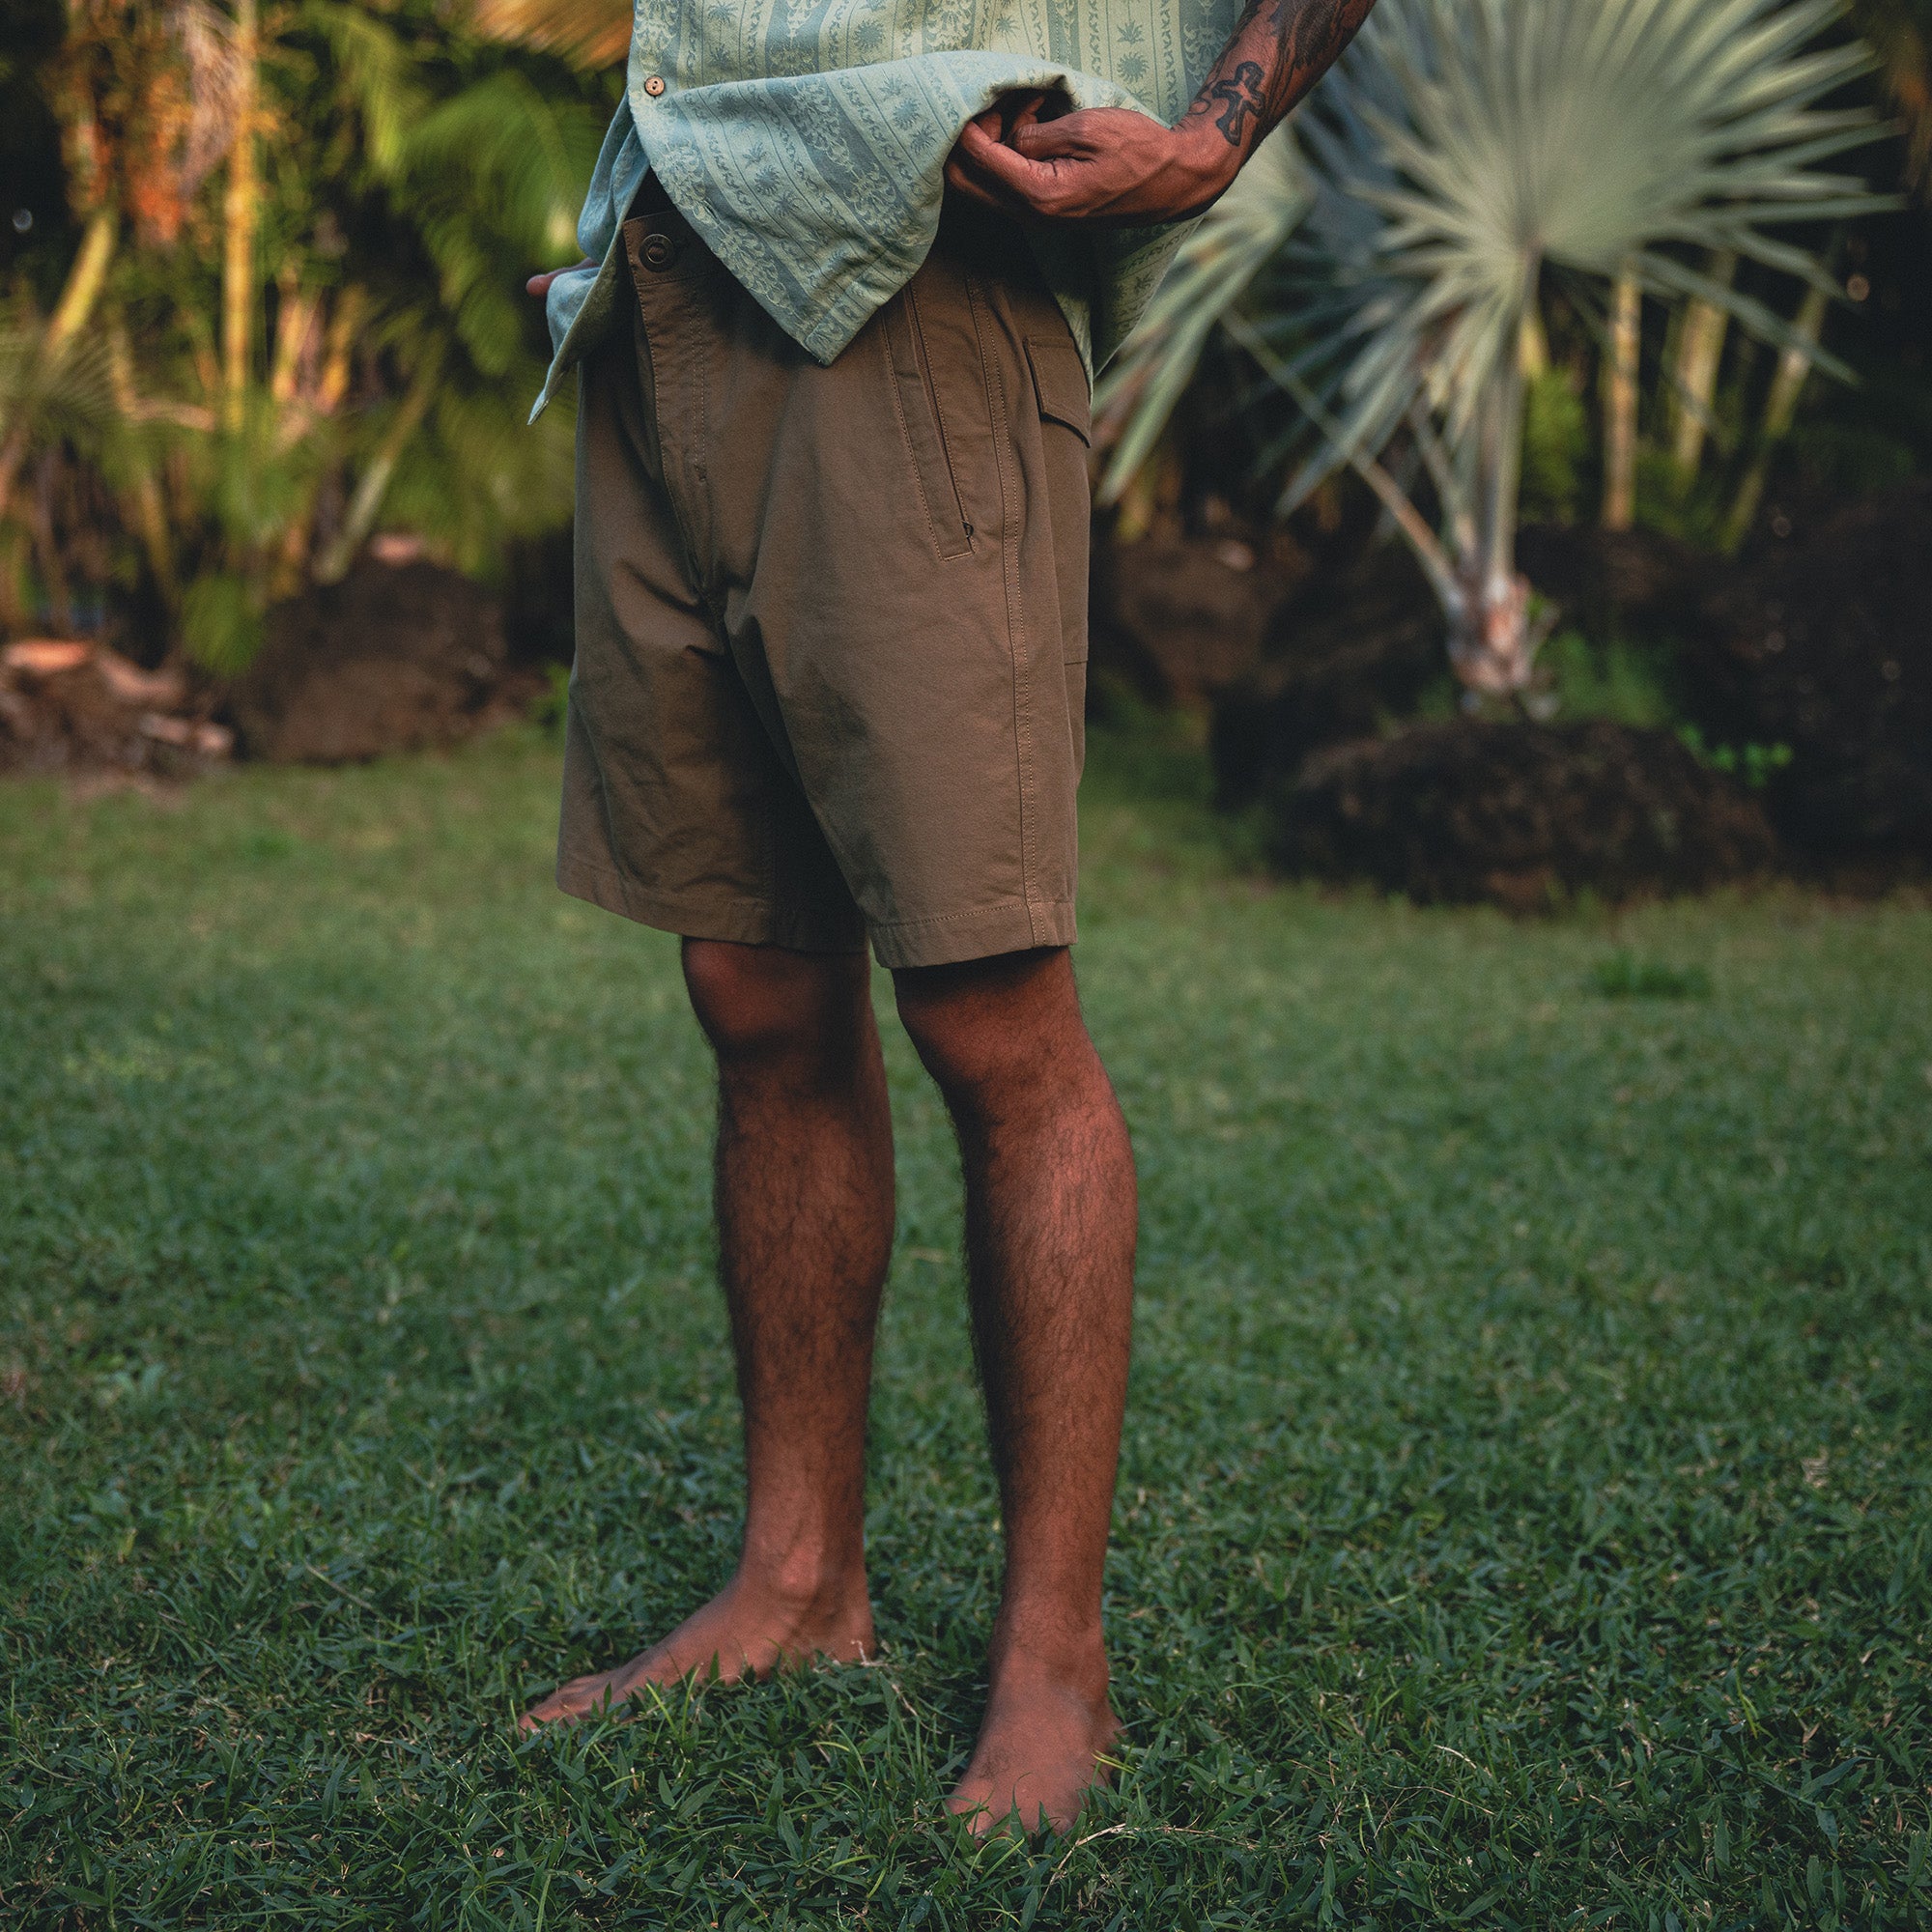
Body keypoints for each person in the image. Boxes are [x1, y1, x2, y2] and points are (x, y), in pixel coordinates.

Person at [518, 0, 1378, 1834]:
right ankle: (798, 1582)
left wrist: (1218, 128)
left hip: (925, 267)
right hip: (674, 244)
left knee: (990, 1009)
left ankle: (1057, 1661)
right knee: (752, 983)